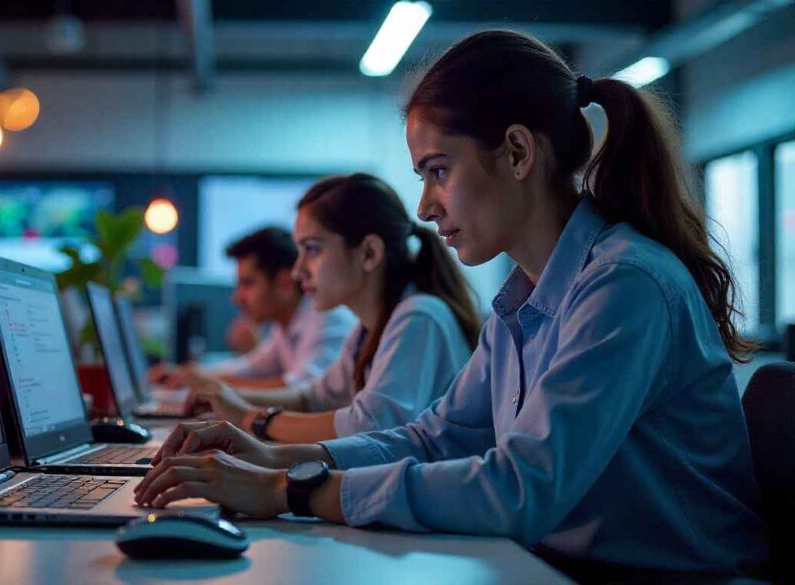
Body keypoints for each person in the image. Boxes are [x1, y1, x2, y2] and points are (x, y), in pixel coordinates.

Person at [134, 30, 769, 580]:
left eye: (438, 171)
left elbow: (521, 489)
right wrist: (280, 457)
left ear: (518, 153)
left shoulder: (623, 286)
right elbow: (437, 438)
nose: (425, 207)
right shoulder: (523, 302)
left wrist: (290, 490)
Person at [183, 173, 481, 444]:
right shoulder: (370, 328)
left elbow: (368, 426)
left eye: (312, 249)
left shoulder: (418, 316)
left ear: (368, 253)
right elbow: (312, 398)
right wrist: (227, 400)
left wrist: (250, 418)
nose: (298, 272)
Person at [151, 226, 356, 390]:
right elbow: (248, 368)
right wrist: (192, 374)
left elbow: (300, 389)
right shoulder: (285, 326)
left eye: (247, 284)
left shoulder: (326, 320)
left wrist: (208, 384)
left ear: (285, 283)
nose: (236, 298)